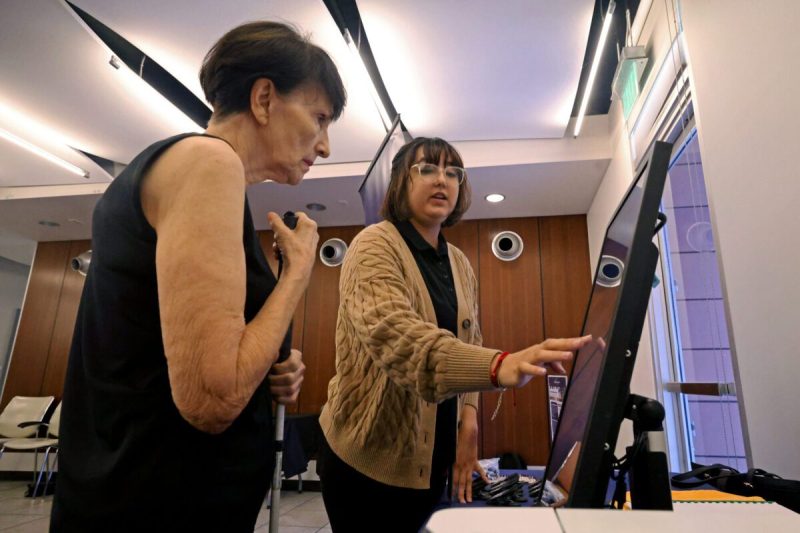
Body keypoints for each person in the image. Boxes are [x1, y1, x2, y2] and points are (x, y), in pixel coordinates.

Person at [51, 22, 346, 532]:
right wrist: (296, 274)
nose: (324, 146)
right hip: (155, 504)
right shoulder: (208, 162)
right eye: (319, 118)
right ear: (263, 99)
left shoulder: (197, 172)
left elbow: (188, 357)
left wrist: (267, 368)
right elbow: (211, 399)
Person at [317, 137, 591, 532]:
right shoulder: (373, 245)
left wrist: (469, 423)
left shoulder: (459, 262)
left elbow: (470, 342)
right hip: (365, 458)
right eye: (427, 169)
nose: (441, 179)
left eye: (452, 172)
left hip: (433, 457)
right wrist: (500, 366)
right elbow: (401, 341)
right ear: (400, 183)